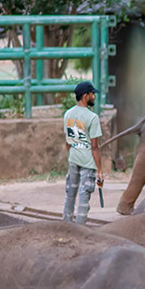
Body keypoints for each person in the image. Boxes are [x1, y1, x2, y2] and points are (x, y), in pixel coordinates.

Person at [62, 81, 104, 224]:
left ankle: (66, 224)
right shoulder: (92, 118)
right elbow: (94, 147)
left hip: (73, 158)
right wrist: (100, 170)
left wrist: (70, 156)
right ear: (85, 96)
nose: (94, 97)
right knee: (84, 195)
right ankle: (81, 229)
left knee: (70, 194)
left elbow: (68, 141)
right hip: (87, 161)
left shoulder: (68, 114)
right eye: (92, 94)